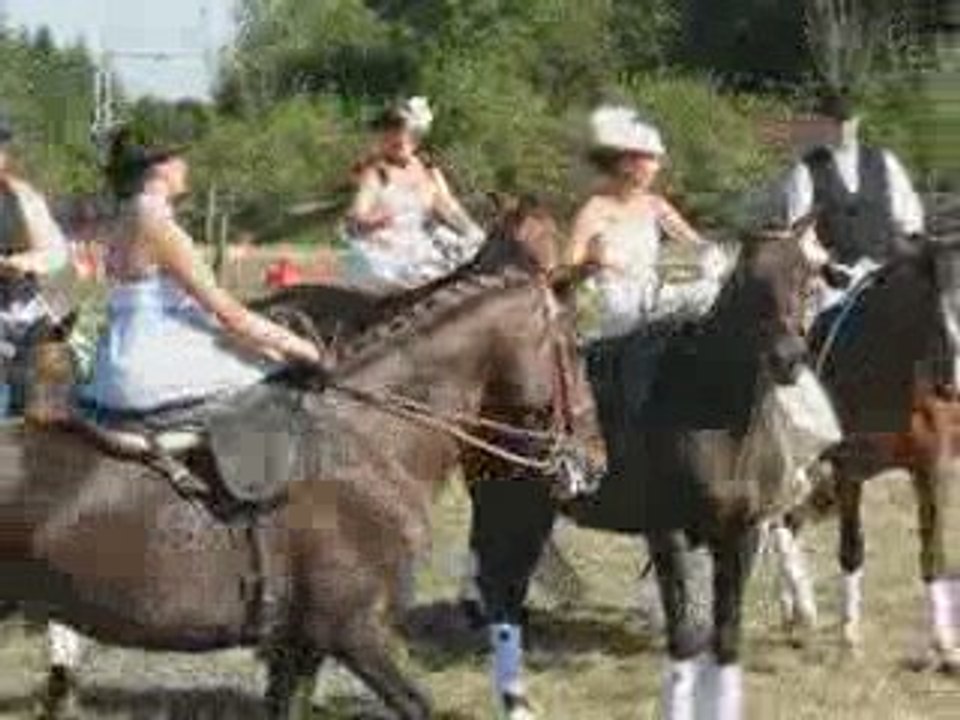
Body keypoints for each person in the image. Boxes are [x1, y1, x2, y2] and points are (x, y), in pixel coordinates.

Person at [80, 129, 322, 419]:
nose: (186, 166)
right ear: (159, 168)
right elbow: (230, 314)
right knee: (277, 370)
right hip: (151, 361)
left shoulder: (123, 217)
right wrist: (300, 346)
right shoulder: (158, 226)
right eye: (179, 159)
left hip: (114, 359)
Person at [780, 89, 925, 313]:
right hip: (836, 282)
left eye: (846, 122)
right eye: (833, 124)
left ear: (856, 122)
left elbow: (910, 217)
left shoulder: (885, 162)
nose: (841, 130)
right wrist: (825, 267)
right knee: (822, 332)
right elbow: (799, 234)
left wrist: (908, 253)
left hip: (889, 273)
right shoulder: (805, 171)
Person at [341, 96, 485, 290]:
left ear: (415, 138)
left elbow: (450, 207)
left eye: (402, 138)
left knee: (472, 256)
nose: (395, 141)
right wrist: (371, 221)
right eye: (388, 138)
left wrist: (473, 232)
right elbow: (356, 213)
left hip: (421, 244)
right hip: (387, 250)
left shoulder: (429, 171)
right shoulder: (377, 173)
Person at [0, 116, 71, 417]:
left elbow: (56, 251)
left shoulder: (22, 194)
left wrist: (26, 263)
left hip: (27, 313)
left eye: (1, 144)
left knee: (37, 411)